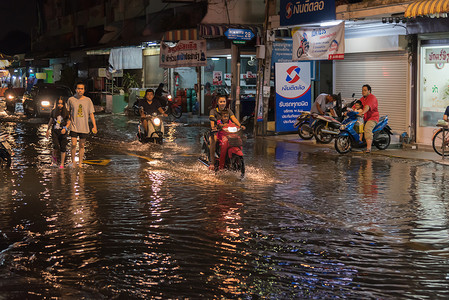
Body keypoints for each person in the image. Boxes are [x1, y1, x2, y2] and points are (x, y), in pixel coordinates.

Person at [209, 95, 244, 170]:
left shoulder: (228, 111)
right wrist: (213, 127)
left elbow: (233, 118)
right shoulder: (213, 111)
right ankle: (212, 162)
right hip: (216, 131)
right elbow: (212, 121)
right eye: (221, 101)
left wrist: (240, 125)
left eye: (224, 101)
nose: (222, 103)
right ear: (217, 102)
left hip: (226, 131)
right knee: (213, 140)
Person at [67, 82, 97, 168]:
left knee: (82, 145)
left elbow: (91, 114)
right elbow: (68, 113)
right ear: (75, 89)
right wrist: (67, 124)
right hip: (73, 126)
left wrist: (94, 126)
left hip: (84, 126)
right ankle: (73, 162)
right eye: (78, 88)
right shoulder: (71, 100)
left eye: (82, 89)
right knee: (73, 144)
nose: (80, 90)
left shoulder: (88, 100)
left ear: (84, 90)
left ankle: (80, 162)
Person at [46, 97, 71, 168]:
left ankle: (62, 164)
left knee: (63, 147)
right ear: (56, 104)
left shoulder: (66, 112)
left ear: (64, 104)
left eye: (61, 103)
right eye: (58, 103)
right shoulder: (53, 111)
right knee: (55, 146)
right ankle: (54, 162)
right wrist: (47, 130)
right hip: (55, 131)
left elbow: (69, 121)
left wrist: (65, 128)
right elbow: (50, 121)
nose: (60, 105)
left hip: (63, 132)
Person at [358, 84, 379, 153]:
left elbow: (367, 107)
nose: (363, 92)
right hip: (364, 118)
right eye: (362, 90)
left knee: (367, 129)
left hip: (372, 118)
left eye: (365, 90)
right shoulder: (362, 99)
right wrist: (349, 110)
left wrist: (362, 112)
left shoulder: (372, 98)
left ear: (369, 91)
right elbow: (356, 105)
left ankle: (368, 148)